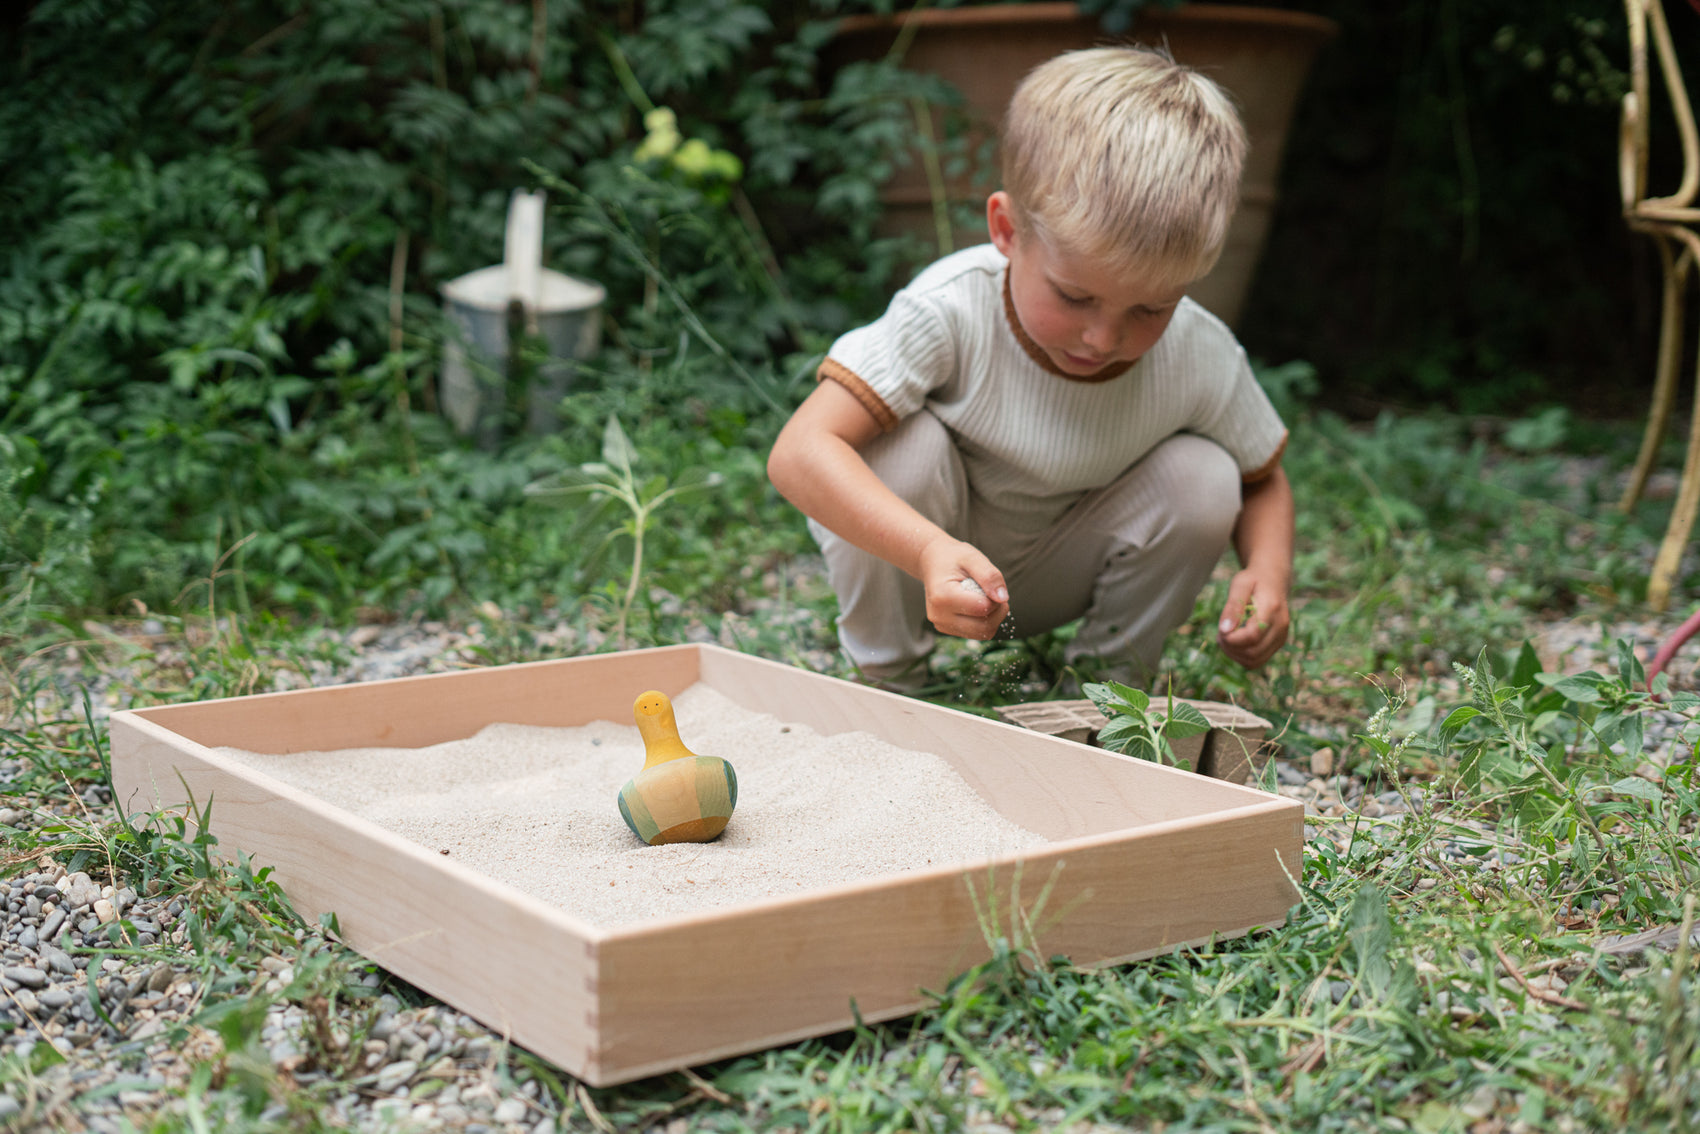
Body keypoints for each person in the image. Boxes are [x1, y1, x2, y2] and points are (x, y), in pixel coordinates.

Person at [767, 45, 1293, 691]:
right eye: (1075, 296)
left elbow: (1261, 480)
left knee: (1208, 477)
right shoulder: (949, 310)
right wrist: (928, 550)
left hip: (1058, 569)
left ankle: (1108, 691)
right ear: (1007, 230)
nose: (1104, 337)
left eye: (1151, 307)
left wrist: (1267, 573)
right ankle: (892, 677)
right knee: (897, 443)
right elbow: (799, 452)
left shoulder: (1197, 351)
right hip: (927, 561)